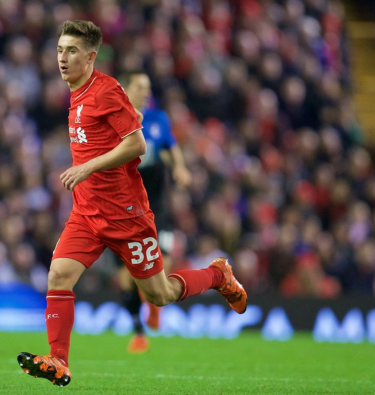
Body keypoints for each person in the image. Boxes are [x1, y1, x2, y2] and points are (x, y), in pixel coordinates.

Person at [17, 20, 247, 388]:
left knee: (160, 294)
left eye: (71, 51)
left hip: (127, 215)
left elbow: (137, 144)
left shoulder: (105, 90)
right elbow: (123, 124)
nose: (62, 57)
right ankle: (58, 360)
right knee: (58, 275)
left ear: (91, 57)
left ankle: (219, 274)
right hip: (87, 213)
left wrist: (87, 167)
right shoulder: (77, 90)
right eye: (60, 49)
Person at [114, 71, 192, 353]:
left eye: (148, 87)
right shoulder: (114, 119)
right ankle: (138, 331)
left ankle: (155, 306)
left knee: (165, 258)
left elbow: (170, 148)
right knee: (126, 274)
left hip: (157, 203)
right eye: (140, 87)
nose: (146, 91)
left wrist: (180, 168)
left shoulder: (158, 119)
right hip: (124, 205)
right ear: (126, 89)